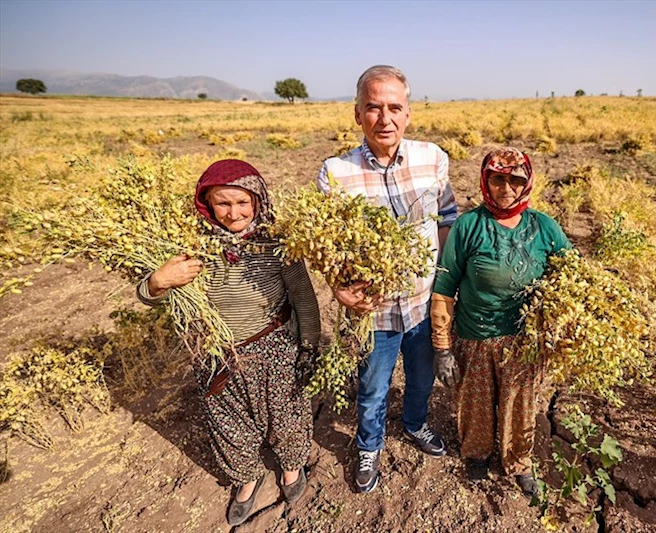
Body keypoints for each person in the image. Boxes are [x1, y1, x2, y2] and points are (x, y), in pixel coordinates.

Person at [137, 159, 321, 526]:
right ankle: (246, 477)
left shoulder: (277, 241)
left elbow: (303, 298)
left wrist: (309, 346)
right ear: (207, 204)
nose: (233, 212)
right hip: (214, 353)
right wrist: (160, 279)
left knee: (285, 414)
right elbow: (146, 294)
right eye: (223, 203)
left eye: (242, 203)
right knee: (228, 422)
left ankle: (290, 468)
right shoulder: (190, 247)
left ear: (257, 201)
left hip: (274, 346)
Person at [317, 65, 458, 493]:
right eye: (373, 108)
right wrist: (337, 287)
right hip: (371, 311)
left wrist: (446, 288)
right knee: (373, 387)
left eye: (394, 107)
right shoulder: (335, 172)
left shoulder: (433, 158)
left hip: (423, 304)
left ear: (408, 113)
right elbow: (327, 243)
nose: (385, 118)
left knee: (421, 379)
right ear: (357, 113)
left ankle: (415, 425)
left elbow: (447, 221)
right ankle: (368, 445)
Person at [430, 147, 572, 496]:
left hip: (524, 343)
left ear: (527, 183)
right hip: (474, 335)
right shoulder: (469, 226)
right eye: (497, 179)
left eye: (515, 179)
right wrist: (442, 348)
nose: (506, 187)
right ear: (485, 181)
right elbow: (445, 286)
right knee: (474, 403)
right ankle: (477, 455)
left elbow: (572, 279)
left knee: (520, 406)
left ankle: (518, 461)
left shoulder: (544, 228)